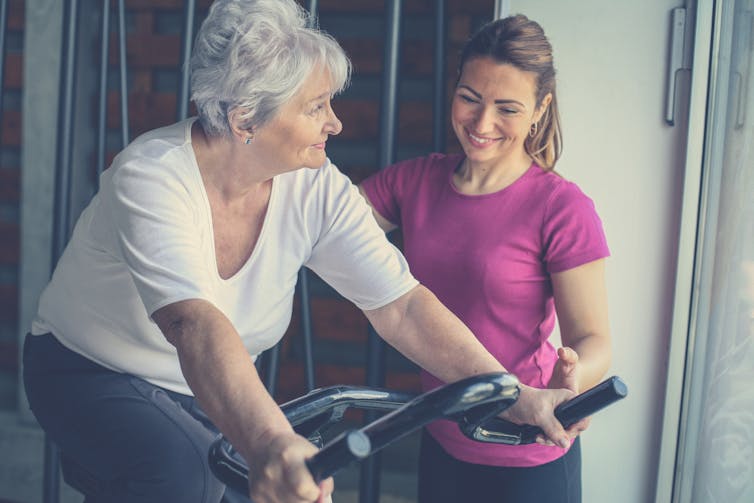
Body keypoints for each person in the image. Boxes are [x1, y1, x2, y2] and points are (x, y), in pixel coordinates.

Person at [23, 3, 577, 503]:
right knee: (188, 472)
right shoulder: (152, 177)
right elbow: (194, 324)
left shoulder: (315, 186)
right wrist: (269, 442)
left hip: (199, 388)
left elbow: (400, 306)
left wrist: (512, 393)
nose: (334, 122)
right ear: (245, 118)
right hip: (90, 369)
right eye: (315, 107)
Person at [359, 14, 612, 503]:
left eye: (507, 109)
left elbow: (593, 337)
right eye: (470, 98)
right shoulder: (414, 182)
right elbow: (327, 224)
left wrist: (573, 378)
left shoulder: (562, 207)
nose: (481, 124)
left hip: (529, 455)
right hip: (442, 440)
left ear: (541, 109)